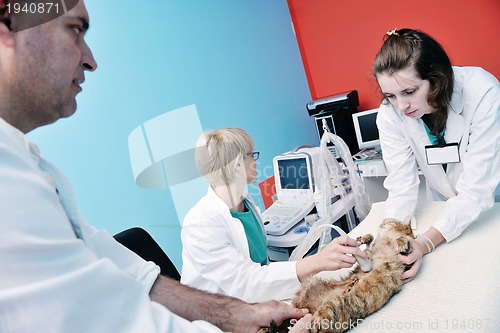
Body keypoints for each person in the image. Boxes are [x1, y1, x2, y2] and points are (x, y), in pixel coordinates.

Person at [0, 1, 310, 332]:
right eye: (74, 30)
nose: (91, 60)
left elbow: (139, 277)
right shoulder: (9, 178)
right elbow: (106, 318)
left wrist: (238, 316)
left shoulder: (33, 164)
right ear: (7, 28)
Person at [372, 28, 500, 283]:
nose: (401, 105)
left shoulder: (483, 93)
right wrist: (388, 234)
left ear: (437, 79)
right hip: (443, 203)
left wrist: (426, 243)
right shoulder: (390, 113)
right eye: (390, 96)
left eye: (409, 92)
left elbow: (476, 192)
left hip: (492, 202)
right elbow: (401, 184)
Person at [181, 128, 367, 302]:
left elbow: (261, 267)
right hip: (220, 315)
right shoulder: (201, 223)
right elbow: (244, 283)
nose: (255, 161)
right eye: (251, 155)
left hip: (257, 298)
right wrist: (317, 262)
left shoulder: (245, 202)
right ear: (237, 164)